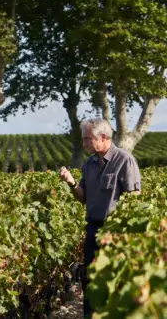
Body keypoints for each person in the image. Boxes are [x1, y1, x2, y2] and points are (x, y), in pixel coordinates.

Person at [58, 117, 141, 318]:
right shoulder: (89, 164)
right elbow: (84, 198)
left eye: (87, 139)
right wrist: (71, 183)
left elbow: (134, 202)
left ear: (103, 137)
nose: (84, 143)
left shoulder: (125, 160)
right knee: (90, 281)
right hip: (93, 231)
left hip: (117, 234)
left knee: (116, 283)